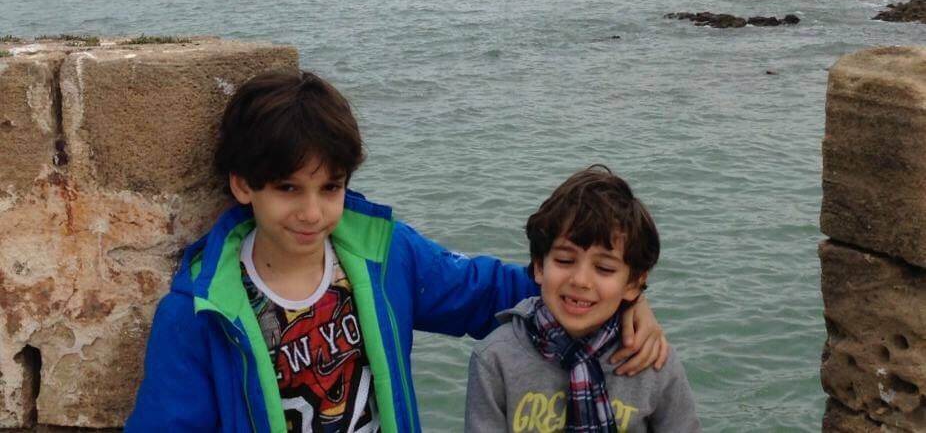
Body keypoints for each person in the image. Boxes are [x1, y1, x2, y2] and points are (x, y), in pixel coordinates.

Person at [126, 71, 668, 433]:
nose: (312, 213)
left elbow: (491, 293)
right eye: (288, 189)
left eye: (330, 188)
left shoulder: (384, 258)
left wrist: (621, 301)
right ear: (244, 185)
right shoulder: (200, 313)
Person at [465, 165, 699, 433]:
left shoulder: (653, 359)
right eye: (565, 260)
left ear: (633, 283)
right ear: (539, 266)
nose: (580, 280)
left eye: (605, 268)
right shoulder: (494, 359)